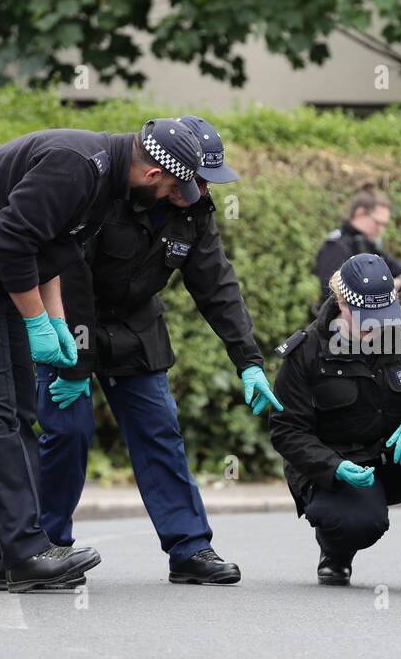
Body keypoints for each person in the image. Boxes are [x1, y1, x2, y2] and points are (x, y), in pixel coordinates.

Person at [0, 118, 206, 592]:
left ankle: (8, 554)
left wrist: (57, 322)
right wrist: (33, 322)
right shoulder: (77, 165)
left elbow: (49, 251)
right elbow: (13, 238)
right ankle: (24, 553)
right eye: (172, 188)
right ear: (152, 175)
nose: (175, 197)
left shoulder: (107, 183)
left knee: (21, 411)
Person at [34, 115, 278, 585]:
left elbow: (216, 286)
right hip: (67, 318)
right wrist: (76, 363)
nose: (205, 192)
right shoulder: (105, 193)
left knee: (159, 431)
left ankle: (190, 549)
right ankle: (46, 546)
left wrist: (248, 359)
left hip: (135, 327)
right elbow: (72, 275)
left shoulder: (193, 211)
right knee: (68, 431)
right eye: (199, 181)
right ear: (170, 171)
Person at [269, 253, 401, 592]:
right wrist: (332, 467)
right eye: (367, 318)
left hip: (398, 457)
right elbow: (286, 430)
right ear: (343, 305)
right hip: (342, 468)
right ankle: (335, 551)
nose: (378, 326)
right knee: (359, 523)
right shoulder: (307, 352)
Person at [314, 184, 401, 311]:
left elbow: (398, 269)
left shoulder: (367, 245)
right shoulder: (336, 247)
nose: (380, 230)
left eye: (384, 225)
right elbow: (332, 293)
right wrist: (383, 290)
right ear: (360, 213)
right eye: (377, 223)